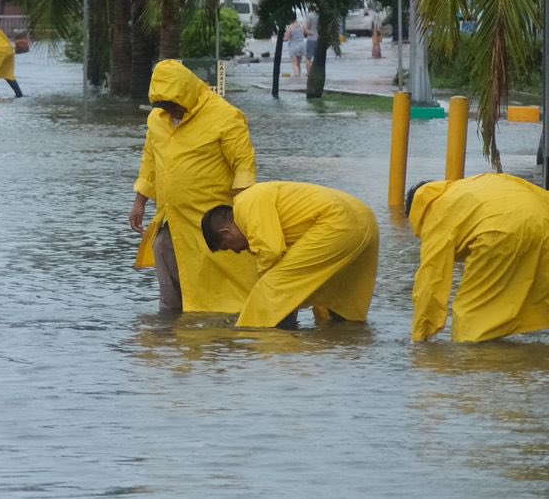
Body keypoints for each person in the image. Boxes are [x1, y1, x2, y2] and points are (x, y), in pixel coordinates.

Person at [406, 173, 549, 343]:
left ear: (415, 212)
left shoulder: (434, 212)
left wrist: (421, 336)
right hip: (546, 228)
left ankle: (479, 364)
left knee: (471, 317)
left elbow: (431, 280)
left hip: (497, 235)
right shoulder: (479, 183)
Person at [130, 60, 258, 312]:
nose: (170, 111)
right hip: (171, 220)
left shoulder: (225, 116)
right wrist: (139, 201)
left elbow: (244, 165)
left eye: (173, 105)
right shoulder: (157, 119)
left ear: (186, 93)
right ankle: (172, 332)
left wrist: (243, 214)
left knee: (226, 286)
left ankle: (229, 331)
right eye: (163, 106)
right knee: (168, 274)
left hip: (212, 223)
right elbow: (150, 160)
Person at [201, 181, 379, 329]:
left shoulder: (246, 204)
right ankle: (344, 336)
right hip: (365, 217)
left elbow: (271, 252)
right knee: (334, 293)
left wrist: (265, 298)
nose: (237, 251)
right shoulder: (262, 197)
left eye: (228, 247)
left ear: (226, 233)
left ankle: (259, 337)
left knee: (270, 288)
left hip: (337, 221)